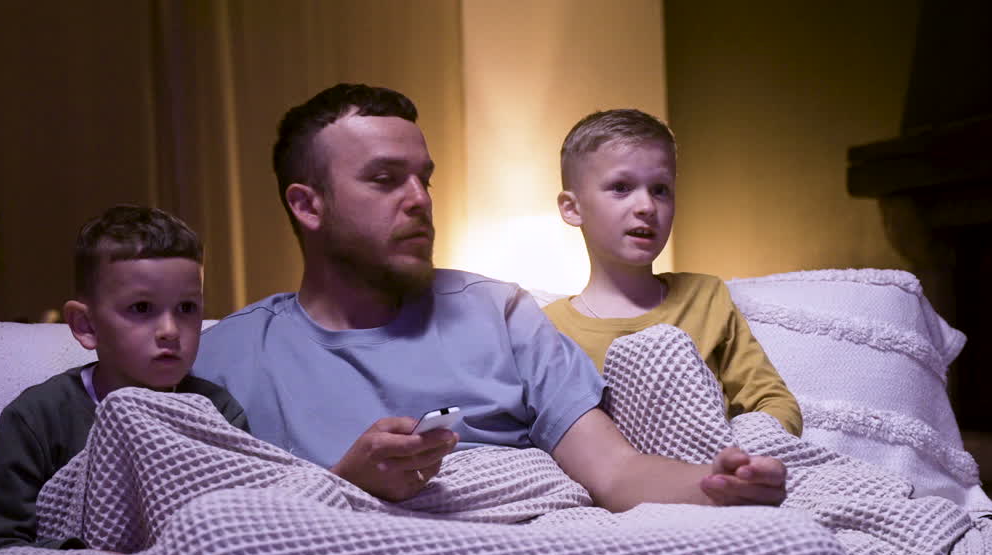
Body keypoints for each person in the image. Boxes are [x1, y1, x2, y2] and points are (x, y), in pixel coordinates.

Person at [193, 83, 785, 512]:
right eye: (383, 179)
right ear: (307, 205)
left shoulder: (500, 313)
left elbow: (616, 471)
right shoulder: (225, 357)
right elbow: (199, 526)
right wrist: (345, 482)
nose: (419, 198)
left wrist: (714, 487)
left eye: (423, 178)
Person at [0, 205, 249, 555]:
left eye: (187, 308)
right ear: (86, 325)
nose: (170, 330)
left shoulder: (217, 411)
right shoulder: (38, 418)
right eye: (142, 307)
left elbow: (246, 521)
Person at [543, 108, 803, 436]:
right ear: (572, 208)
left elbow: (772, 401)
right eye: (621, 187)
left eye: (660, 190)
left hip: (716, 470)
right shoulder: (547, 330)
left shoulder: (707, 298)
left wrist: (747, 457)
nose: (647, 206)